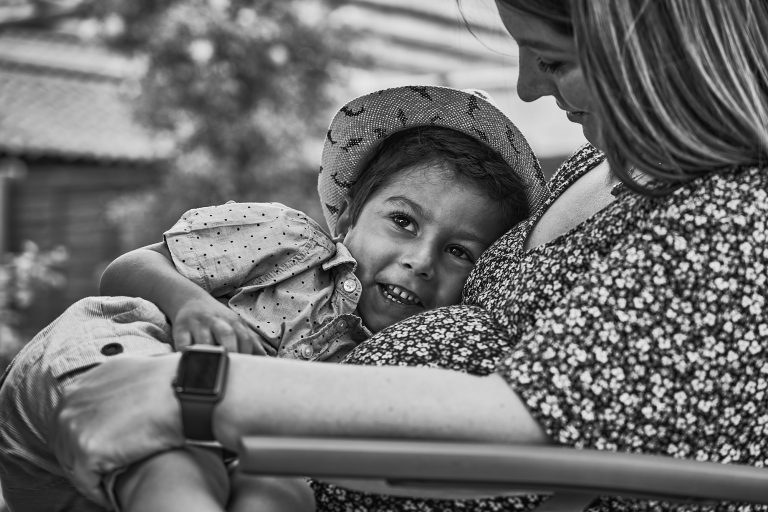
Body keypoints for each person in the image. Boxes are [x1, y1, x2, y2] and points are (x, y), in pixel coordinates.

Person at [7, 0, 768, 511]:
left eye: (554, 58)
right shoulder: (602, 167)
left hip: (278, 452)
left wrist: (203, 392)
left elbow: (540, 414)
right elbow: (140, 273)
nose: (527, 86)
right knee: (103, 343)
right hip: (239, 428)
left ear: (657, 51)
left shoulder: (737, 214)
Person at [0, 85, 546, 512]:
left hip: (240, 465)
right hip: (100, 417)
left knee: (287, 487)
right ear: (349, 216)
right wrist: (190, 303)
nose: (422, 260)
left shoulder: (414, 358)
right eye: (403, 221)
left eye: (459, 251)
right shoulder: (287, 242)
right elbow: (126, 270)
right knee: (121, 326)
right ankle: (174, 486)